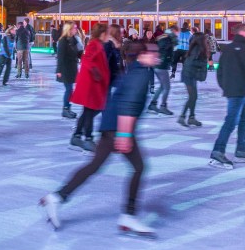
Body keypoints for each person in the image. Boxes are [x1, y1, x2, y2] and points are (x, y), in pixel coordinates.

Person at [39, 41, 157, 237]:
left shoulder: (135, 69)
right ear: (142, 54)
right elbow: (128, 104)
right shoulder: (141, 73)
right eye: (153, 52)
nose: (156, 55)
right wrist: (125, 134)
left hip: (111, 125)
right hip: (118, 128)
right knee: (139, 167)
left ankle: (57, 197)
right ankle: (128, 215)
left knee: (94, 166)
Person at [209, 23, 245, 169]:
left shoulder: (228, 48)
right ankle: (218, 150)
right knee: (231, 121)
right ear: (243, 32)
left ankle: (241, 149)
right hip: (239, 91)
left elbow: (220, 70)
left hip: (233, 90)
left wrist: (226, 87)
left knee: (244, 118)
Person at [69, 23, 111, 152]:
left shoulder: (98, 44)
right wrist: (96, 72)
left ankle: (76, 136)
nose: (108, 36)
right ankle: (87, 138)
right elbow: (87, 59)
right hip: (91, 85)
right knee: (89, 111)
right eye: (107, 33)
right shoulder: (94, 44)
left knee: (89, 111)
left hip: (94, 84)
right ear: (103, 34)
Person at [177, 27, 208, 127]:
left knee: (194, 97)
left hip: (190, 74)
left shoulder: (197, 48)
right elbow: (192, 62)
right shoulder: (197, 49)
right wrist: (203, 64)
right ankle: (182, 116)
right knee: (192, 97)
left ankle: (191, 117)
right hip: (188, 75)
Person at [147, 25, 176, 115]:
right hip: (161, 66)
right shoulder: (167, 39)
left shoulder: (164, 38)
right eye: (176, 32)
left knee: (162, 86)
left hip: (159, 65)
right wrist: (164, 61)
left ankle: (153, 104)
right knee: (167, 87)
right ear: (173, 31)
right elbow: (164, 51)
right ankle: (163, 106)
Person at [56, 23, 82, 119]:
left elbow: (78, 52)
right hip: (65, 68)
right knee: (69, 89)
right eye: (74, 28)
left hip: (72, 67)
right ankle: (65, 109)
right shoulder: (63, 41)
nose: (76, 30)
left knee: (70, 89)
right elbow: (60, 56)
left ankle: (67, 108)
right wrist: (59, 70)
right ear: (69, 29)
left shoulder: (73, 39)